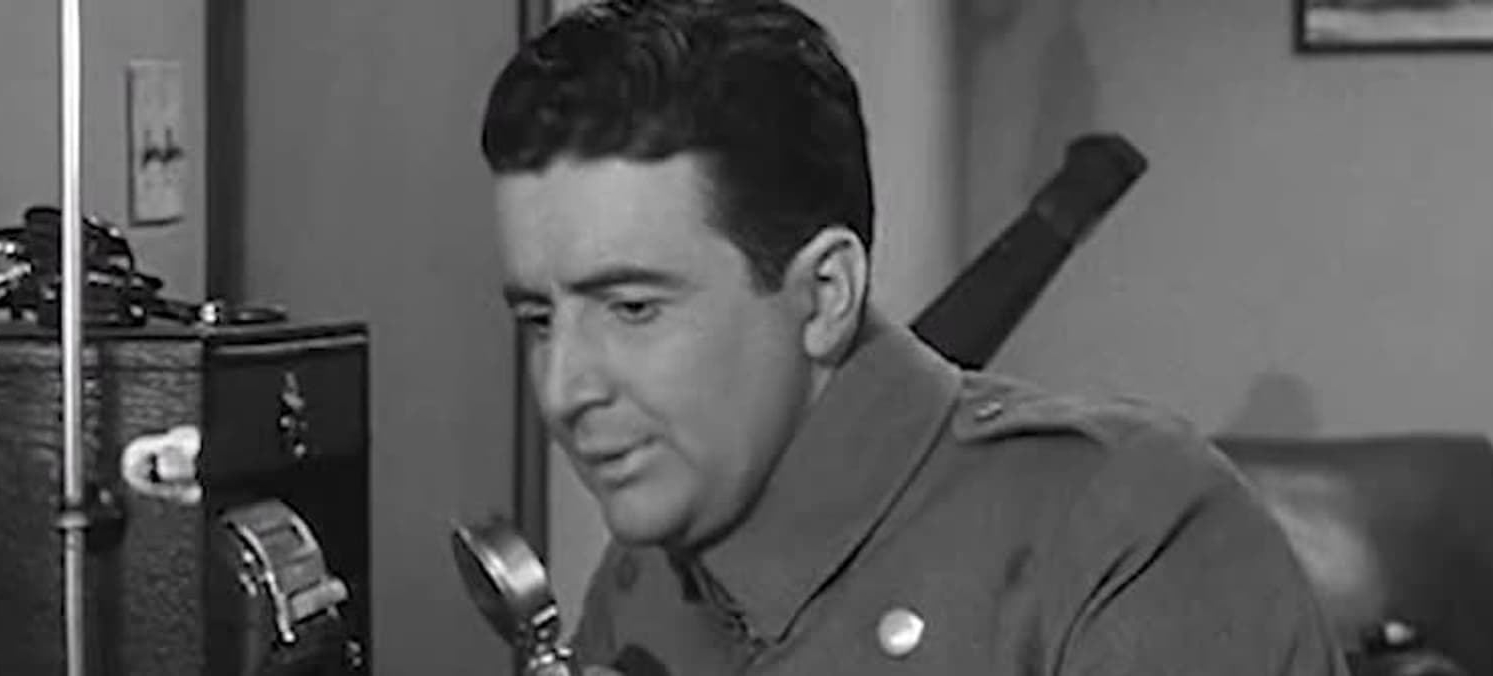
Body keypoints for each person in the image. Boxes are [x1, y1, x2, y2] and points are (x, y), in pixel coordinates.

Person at [478, 1, 1350, 674]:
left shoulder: (1127, 537)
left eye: (633, 308)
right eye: (540, 321)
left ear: (824, 295)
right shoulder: (644, 580)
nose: (563, 391)